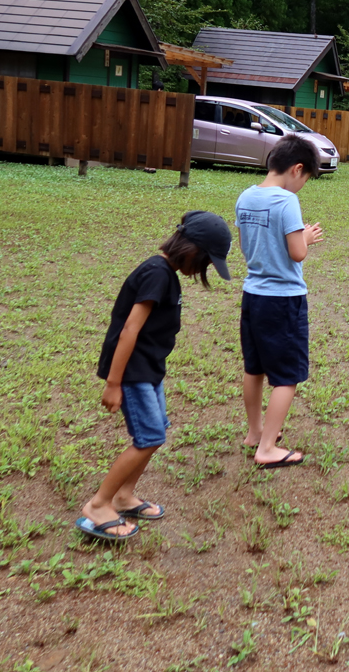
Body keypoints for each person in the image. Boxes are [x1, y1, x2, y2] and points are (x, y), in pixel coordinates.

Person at [75, 211, 233, 541]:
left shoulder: (166, 273)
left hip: (148, 368)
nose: (201, 271)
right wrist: (114, 382)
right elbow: (129, 329)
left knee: (156, 430)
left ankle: (124, 496)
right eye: (204, 262)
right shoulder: (157, 273)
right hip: (132, 372)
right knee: (148, 438)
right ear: (191, 250)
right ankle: (99, 505)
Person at [235, 135, 324, 469]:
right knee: (287, 376)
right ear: (297, 169)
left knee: (254, 368)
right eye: (305, 179)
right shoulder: (286, 201)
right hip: (283, 299)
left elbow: (246, 246)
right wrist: (307, 237)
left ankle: (255, 432)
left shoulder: (246, 196)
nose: (302, 186)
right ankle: (268, 448)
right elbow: (296, 252)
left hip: (253, 294)